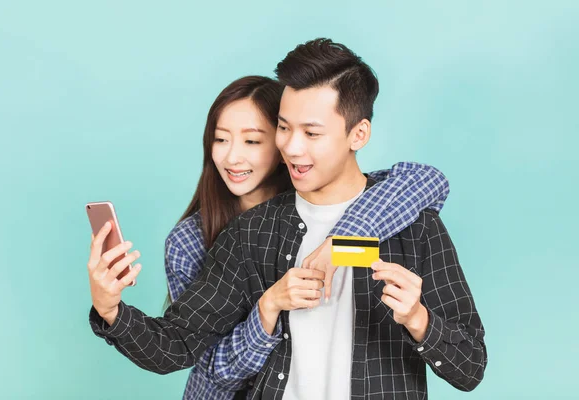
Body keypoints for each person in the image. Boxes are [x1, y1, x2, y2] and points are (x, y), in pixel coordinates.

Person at [89, 38, 486, 399]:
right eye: (283, 128)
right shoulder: (251, 233)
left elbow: (470, 368)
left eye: (311, 133)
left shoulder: (414, 229)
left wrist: (419, 319)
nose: (292, 147)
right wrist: (111, 310)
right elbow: (176, 345)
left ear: (358, 134)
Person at [161, 76, 449, 398]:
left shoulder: (318, 199)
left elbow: (428, 181)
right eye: (220, 139)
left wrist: (339, 241)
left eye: (253, 141)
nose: (232, 158)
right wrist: (267, 310)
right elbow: (211, 366)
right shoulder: (190, 241)